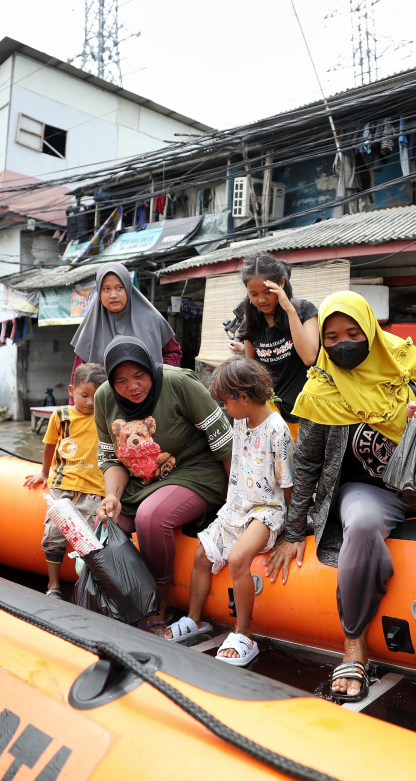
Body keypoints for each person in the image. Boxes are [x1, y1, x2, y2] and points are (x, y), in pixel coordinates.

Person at [265, 292, 416, 701]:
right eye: (331, 336)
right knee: (363, 523)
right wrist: (295, 531)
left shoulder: (400, 361)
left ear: (370, 329)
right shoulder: (321, 388)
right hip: (368, 490)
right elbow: (306, 465)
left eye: (353, 332)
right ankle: (354, 644)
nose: (343, 343)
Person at [162, 358, 294, 666]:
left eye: (225, 402)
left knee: (237, 559)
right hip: (237, 506)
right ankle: (195, 619)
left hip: (267, 509)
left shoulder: (277, 429)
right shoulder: (240, 421)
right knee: (200, 555)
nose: (224, 408)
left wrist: (290, 528)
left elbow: (287, 483)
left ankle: (244, 633)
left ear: (244, 397)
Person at [93, 335, 231, 622]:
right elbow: (110, 458)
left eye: (139, 376)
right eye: (120, 381)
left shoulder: (179, 383)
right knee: (106, 523)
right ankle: (119, 595)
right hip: (139, 479)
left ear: (150, 368)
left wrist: (236, 504)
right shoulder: (103, 398)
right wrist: (112, 497)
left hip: (194, 471)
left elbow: (224, 443)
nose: (132, 387)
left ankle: (159, 597)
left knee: (151, 516)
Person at [26, 362, 106, 600]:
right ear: (71, 391)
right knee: (53, 535)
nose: (90, 402)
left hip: (93, 488)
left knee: (89, 541)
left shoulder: (104, 417)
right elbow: (50, 444)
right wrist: (44, 472)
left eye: (96, 397)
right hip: (62, 486)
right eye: (84, 396)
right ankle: (53, 585)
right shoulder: (60, 417)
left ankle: (86, 590)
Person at [228, 255, 320, 424]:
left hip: (308, 415)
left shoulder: (304, 311)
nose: (261, 300)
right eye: (253, 294)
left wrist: (289, 310)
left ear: (282, 283)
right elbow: (253, 371)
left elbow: (309, 357)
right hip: (272, 416)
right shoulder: (251, 324)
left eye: (267, 292)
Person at [70, 262, 181, 384]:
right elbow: (79, 373)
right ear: (99, 293)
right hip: (105, 400)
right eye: (106, 289)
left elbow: (173, 351)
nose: (113, 295)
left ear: (128, 288)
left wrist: (158, 377)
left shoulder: (152, 319)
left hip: (147, 397)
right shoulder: (91, 327)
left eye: (119, 288)